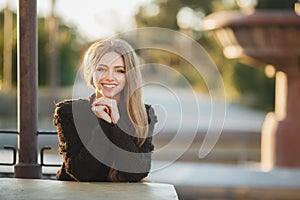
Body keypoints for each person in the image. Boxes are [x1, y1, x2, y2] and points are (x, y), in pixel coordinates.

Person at [53, 39, 157, 182]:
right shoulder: (68, 112)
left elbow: (136, 173)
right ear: (91, 73)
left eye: (119, 70)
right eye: (101, 69)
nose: (109, 77)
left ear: (129, 76)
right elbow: (80, 173)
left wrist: (116, 125)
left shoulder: (145, 114)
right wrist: (104, 123)